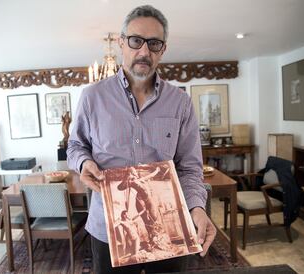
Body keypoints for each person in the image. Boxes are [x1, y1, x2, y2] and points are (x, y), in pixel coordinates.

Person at [67, 5, 216, 274]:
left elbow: (190, 166)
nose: (144, 51)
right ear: (122, 43)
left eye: (154, 43)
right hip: (109, 230)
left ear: (163, 49)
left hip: (168, 227)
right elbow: (76, 145)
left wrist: (197, 207)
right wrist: (83, 163)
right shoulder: (92, 97)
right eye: (136, 41)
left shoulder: (180, 102)